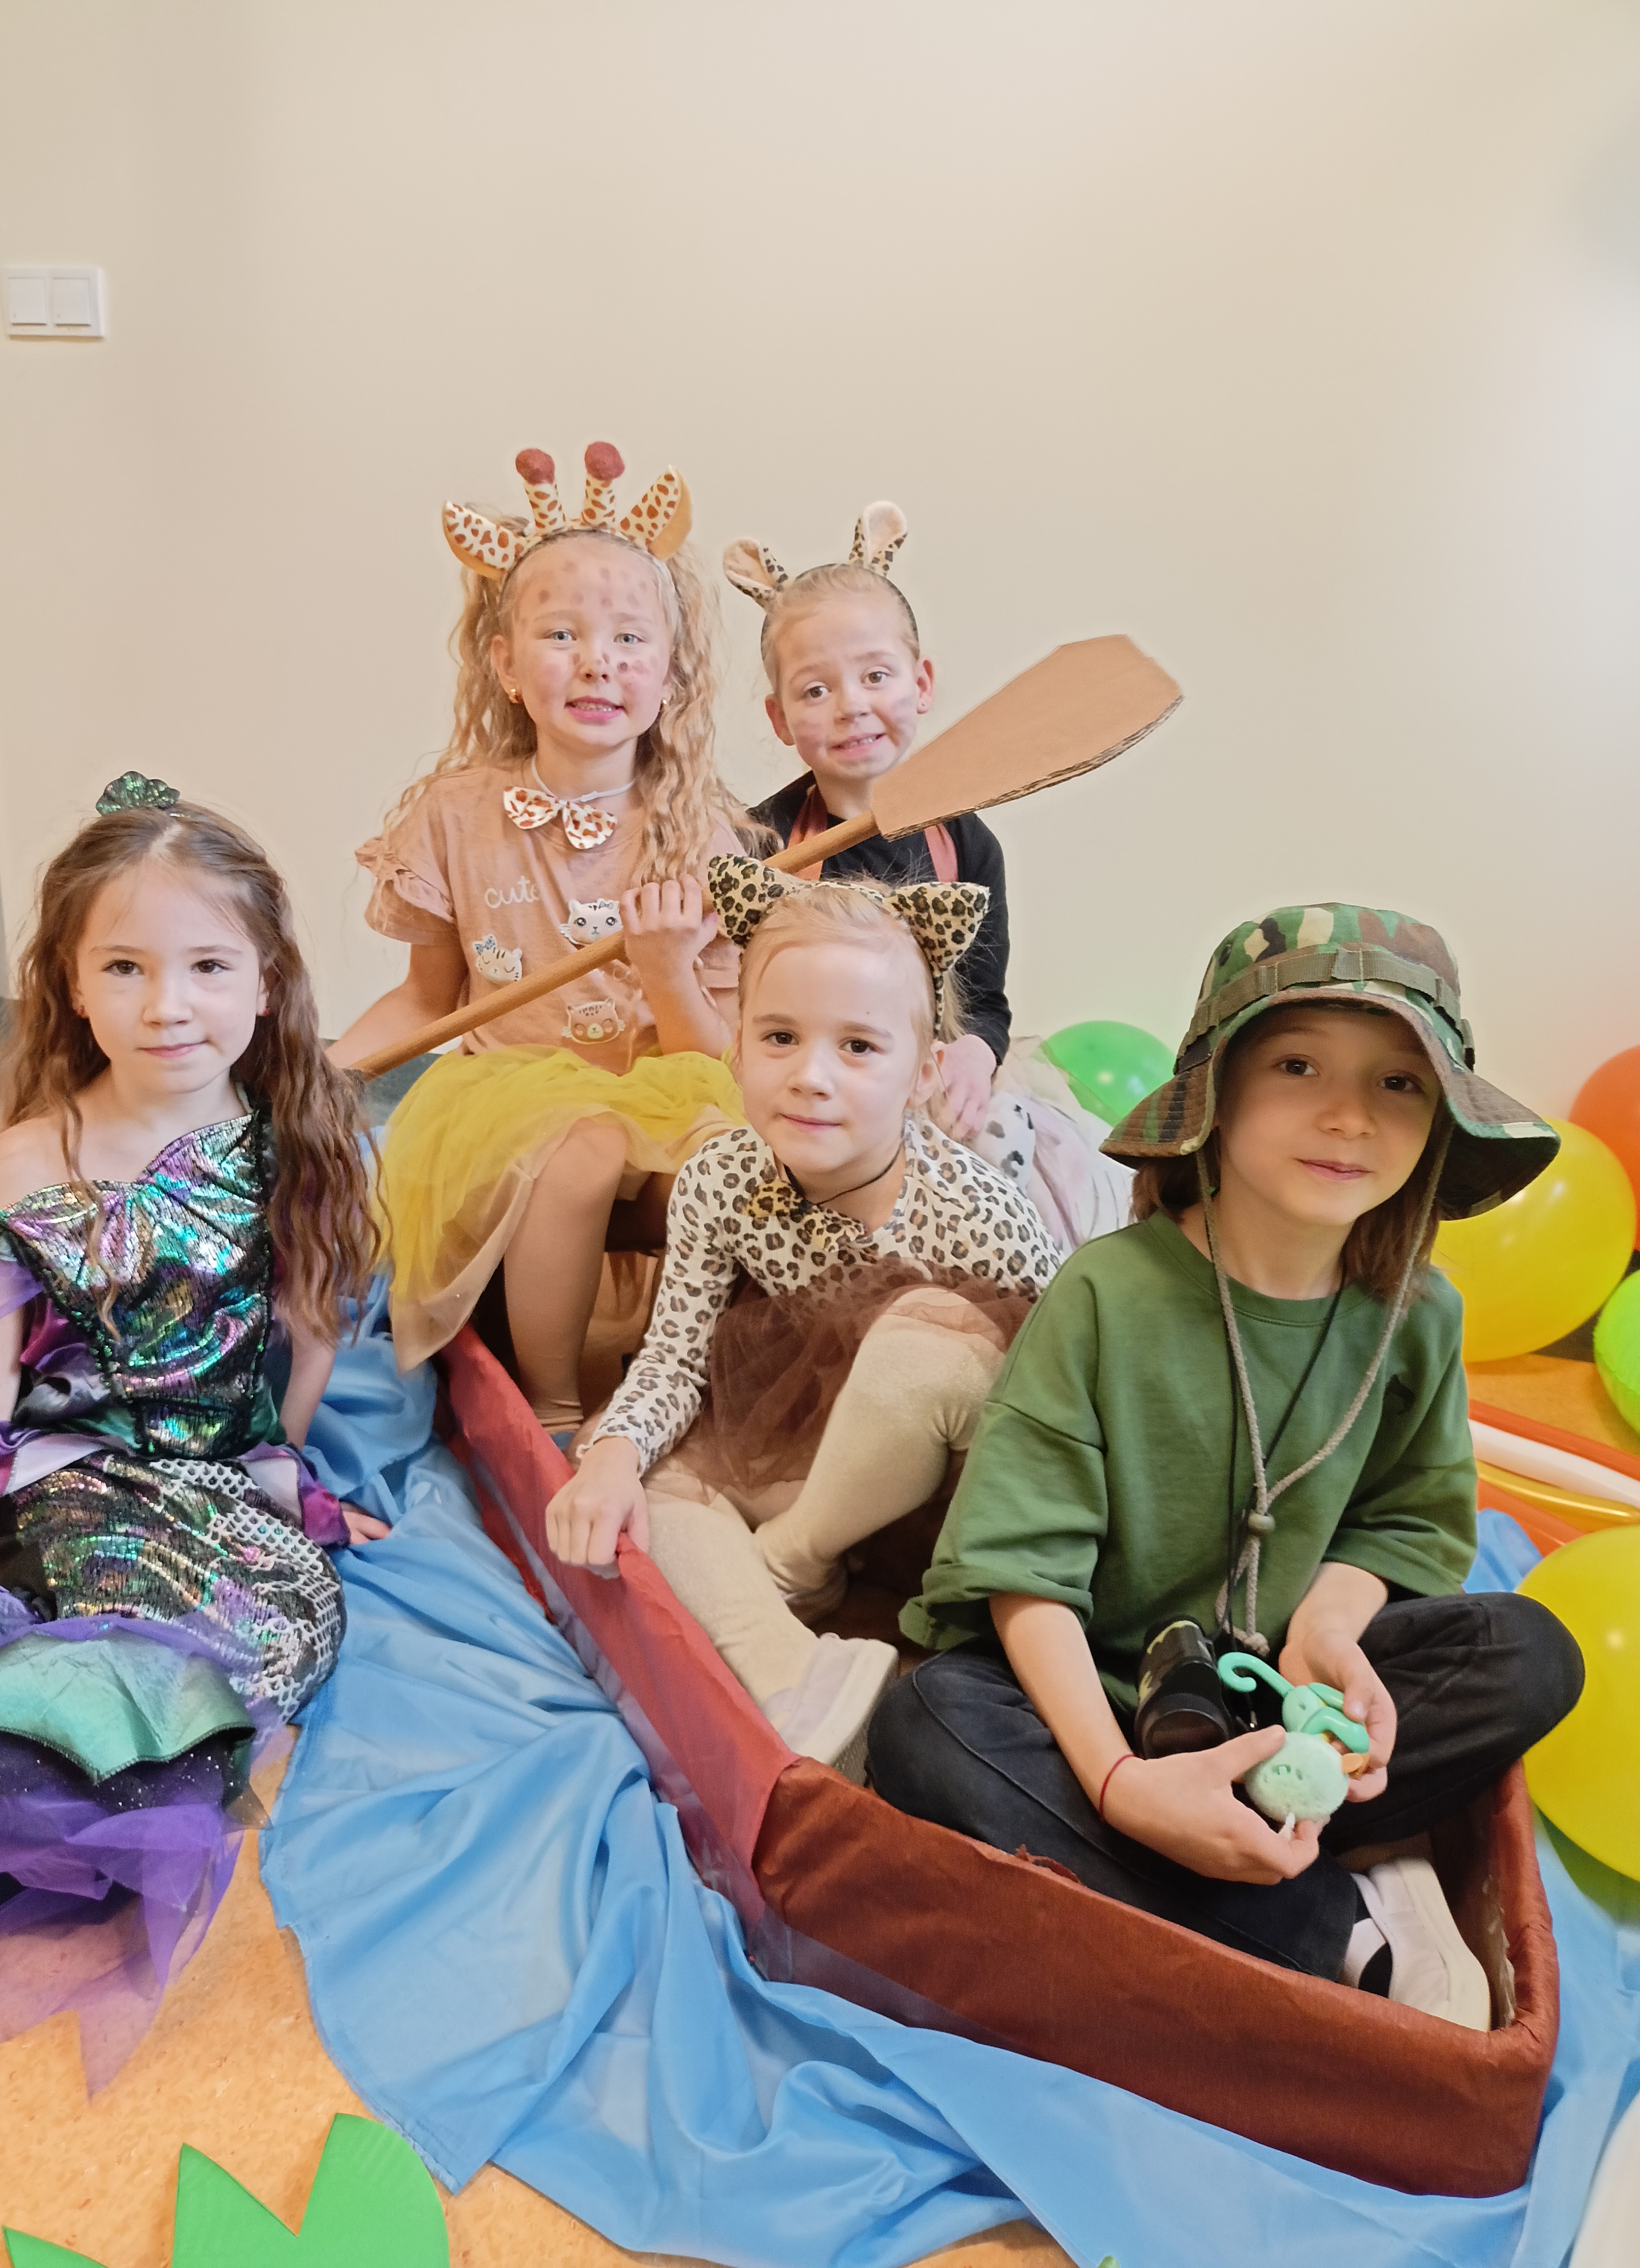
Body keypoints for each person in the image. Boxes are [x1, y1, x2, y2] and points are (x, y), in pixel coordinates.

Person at [871, 903, 1584, 2027]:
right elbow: (1021, 1567)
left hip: (1286, 1701)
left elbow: (1405, 1520)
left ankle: (1249, 1844)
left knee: (1530, 1652)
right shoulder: (1107, 1294)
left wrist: (1327, 1631)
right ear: (1217, 1089)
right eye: (1298, 1065)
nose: (1349, 1115)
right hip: (1098, 1700)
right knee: (926, 1724)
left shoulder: (1420, 1314)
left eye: (1399, 1082)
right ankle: (1324, 1923)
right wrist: (1120, 1782)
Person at [0, 773, 382, 2075]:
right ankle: (24, 1774)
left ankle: (100, 1752)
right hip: (74, 1478)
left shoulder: (295, 1141)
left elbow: (308, 1331)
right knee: (135, 1620)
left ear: (266, 982)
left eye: (206, 966)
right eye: (125, 968)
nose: (168, 1005)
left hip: (221, 1473)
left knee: (289, 1618)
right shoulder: (23, 1166)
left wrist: (280, 1468)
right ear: (72, 987)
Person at [544, 859, 1060, 1778]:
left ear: (922, 1074)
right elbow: (674, 1361)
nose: (811, 1077)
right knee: (647, 1482)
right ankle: (796, 1677)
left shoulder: (973, 1207)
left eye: (859, 1048)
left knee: (931, 1333)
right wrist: (614, 1455)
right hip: (798, 1451)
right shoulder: (720, 1179)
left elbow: (1063, 1389)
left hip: (936, 1489)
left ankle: (787, 1564)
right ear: (736, 1051)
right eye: (780, 1037)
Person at [333, 443, 757, 1428]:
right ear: (506, 666)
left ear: (671, 675)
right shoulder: (455, 815)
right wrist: (327, 1073)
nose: (598, 660)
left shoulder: (701, 835)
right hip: (509, 1095)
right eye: (561, 633)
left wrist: (666, 971)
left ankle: (703, 1394)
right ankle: (555, 1413)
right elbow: (427, 997)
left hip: (671, 1085)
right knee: (581, 1144)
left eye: (629, 638)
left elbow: (718, 1053)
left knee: (742, 1163)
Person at [726, 504, 1132, 1252]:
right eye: (815, 691)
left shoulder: (967, 845)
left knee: (1002, 1140)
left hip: (928, 1080)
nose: (851, 706)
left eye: (876, 676)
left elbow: (986, 1004)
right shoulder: (761, 844)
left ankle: (988, 1294)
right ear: (779, 719)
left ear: (921, 684)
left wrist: (976, 1053)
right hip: (813, 1088)